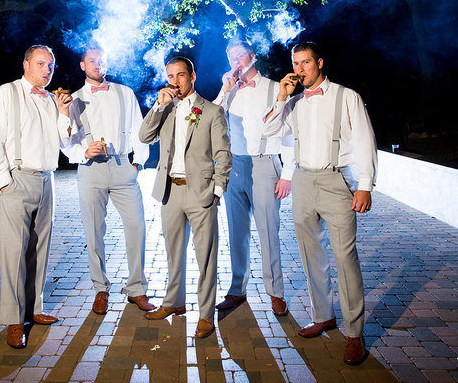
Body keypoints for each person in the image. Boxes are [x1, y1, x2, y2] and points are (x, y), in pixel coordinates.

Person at [263, 41, 377, 365]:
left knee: (345, 258)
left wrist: (365, 186)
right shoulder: (295, 102)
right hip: (302, 180)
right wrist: (282, 95)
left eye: (305, 63)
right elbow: (269, 129)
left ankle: (355, 333)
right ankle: (323, 315)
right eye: (295, 63)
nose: (299, 69)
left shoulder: (346, 97)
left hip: (335, 180)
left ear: (320, 63)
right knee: (310, 254)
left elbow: (365, 142)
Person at [0, 44, 73, 349]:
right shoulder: (6, 94)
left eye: (50, 65)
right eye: (40, 64)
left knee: (39, 249)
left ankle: (34, 308)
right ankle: (13, 320)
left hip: (47, 180)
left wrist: (63, 112)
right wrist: (3, 183)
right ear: (25, 64)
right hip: (17, 180)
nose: (46, 70)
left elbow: (65, 140)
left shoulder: (51, 101)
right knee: (13, 253)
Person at [138, 56, 232, 338]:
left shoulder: (212, 111)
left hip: (200, 192)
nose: (175, 81)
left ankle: (205, 314)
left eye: (180, 75)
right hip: (170, 191)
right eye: (170, 75)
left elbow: (223, 155)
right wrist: (158, 105)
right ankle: (174, 303)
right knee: (172, 253)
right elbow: (144, 137)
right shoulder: (165, 109)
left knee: (205, 257)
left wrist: (216, 190)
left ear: (193, 76)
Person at [62, 47, 155, 315]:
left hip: (122, 166)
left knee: (137, 227)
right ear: (82, 65)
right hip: (91, 170)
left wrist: (138, 162)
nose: (98, 64)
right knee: (94, 232)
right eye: (92, 60)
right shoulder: (74, 99)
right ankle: (100, 288)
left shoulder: (124, 93)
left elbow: (139, 130)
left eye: (102, 60)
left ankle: (136, 288)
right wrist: (81, 153)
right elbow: (65, 139)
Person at [213, 39, 294, 316]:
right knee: (237, 231)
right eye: (231, 56)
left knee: (269, 231)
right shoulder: (229, 91)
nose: (236, 60)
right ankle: (237, 289)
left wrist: (288, 174)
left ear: (253, 56)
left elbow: (289, 132)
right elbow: (210, 117)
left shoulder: (274, 87)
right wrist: (225, 90)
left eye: (240, 54)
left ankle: (276, 293)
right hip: (234, 165)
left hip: (264, 164)